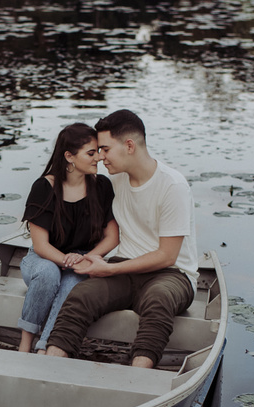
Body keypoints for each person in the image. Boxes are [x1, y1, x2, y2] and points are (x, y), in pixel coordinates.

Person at [45, 110, 198, 368]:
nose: (100, 156)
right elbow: (69, 187)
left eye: (105, 149)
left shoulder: (173, 186)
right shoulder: (114, 182)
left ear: (129, 146)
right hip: (123, 269)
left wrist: (109, 268)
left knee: (158, 299)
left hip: (172, 274)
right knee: (81, 294)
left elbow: (167, 255)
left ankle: (136, 381)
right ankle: (49, 370)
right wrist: (86, 257)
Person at [16, 123, 119, 353]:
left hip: (84, 259)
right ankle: (25, 343)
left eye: (99, 152)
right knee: (48, 273)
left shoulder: (101, 186)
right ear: (69, 156)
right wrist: (67, 261)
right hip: (43, 259)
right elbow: (40, 245)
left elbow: (112, 237)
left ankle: (45, 347)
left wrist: (87, 259)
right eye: (91, 153)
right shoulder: (44, 187)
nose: (99, 159)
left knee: (72, 284)